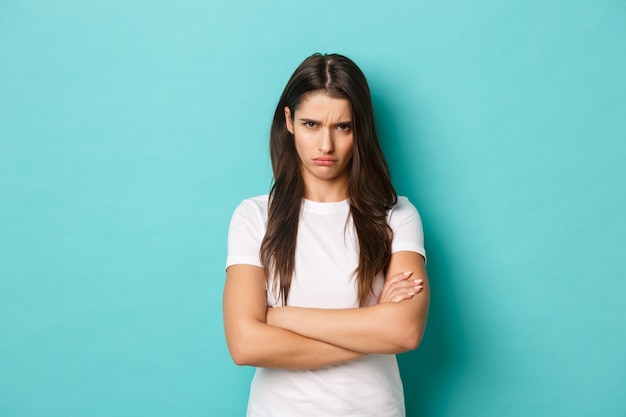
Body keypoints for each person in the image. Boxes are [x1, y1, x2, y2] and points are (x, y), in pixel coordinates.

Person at [223, 53, 429, 417]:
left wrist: (283, 317)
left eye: (343, 127)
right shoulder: (254, 217)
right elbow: (245, 344)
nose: (326, 146)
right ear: (289, 121)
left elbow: (404, 332)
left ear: (360, 128)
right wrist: (373, 326)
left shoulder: (397, 216)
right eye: (311, 124)